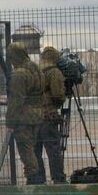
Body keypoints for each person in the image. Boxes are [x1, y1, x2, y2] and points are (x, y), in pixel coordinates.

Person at [5, 43, 47, 185]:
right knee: (33, 149)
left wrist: (10, 122)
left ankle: (33, 179)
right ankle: (38, 179)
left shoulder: (18, 74)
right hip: (38, 114)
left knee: (26, 151)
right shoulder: (37, 70)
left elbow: (16, 101)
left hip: (24, 117)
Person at [35, 46, 68, 183]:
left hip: (31, 117)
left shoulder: (33, 71)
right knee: (53, 149)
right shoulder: (54, 72)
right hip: (48, 115)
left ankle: (37, 179)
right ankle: (58, 179)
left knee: (35, 151)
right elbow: (58, 95)